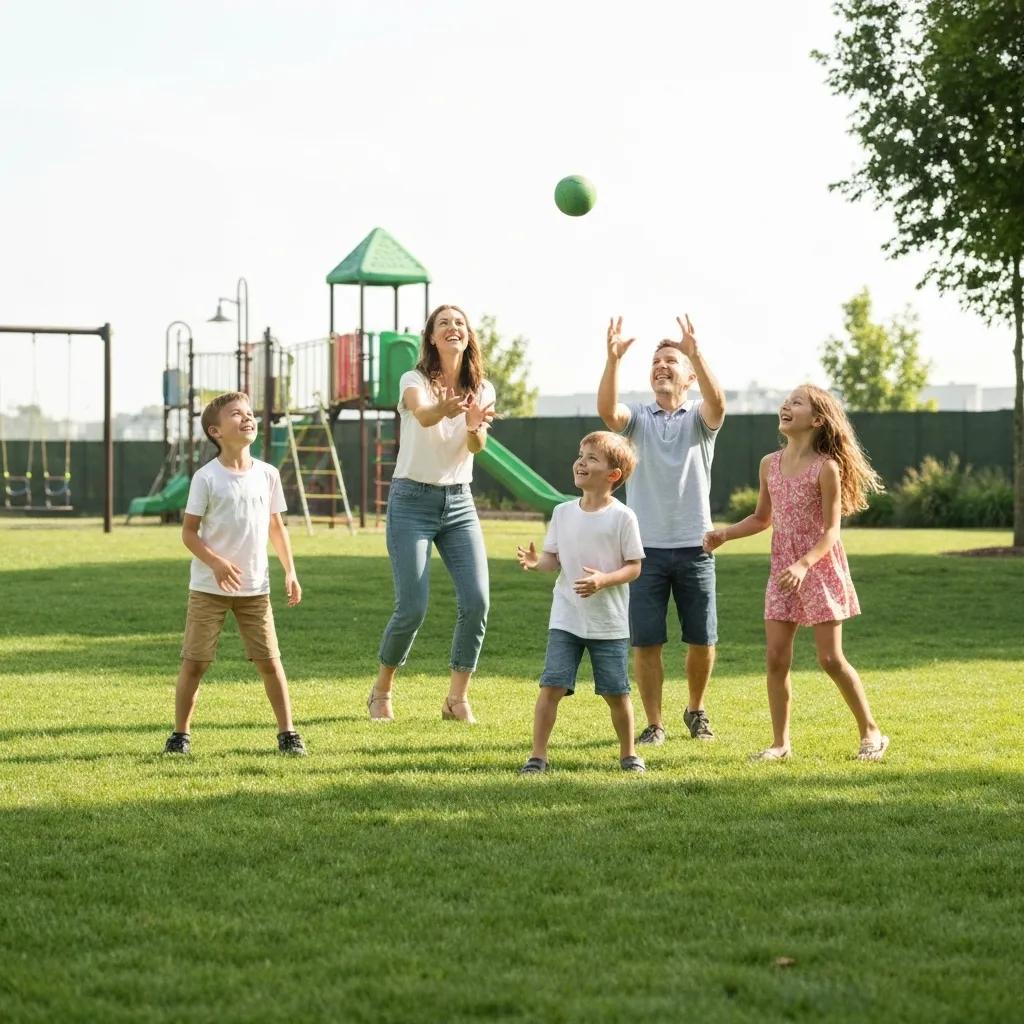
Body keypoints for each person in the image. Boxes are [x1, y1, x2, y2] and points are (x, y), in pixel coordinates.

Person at [703, 384, 889, 761]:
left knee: (830, 659)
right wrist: (724, 534)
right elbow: (761, 518)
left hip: (818, 567)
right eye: (786, 401)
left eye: (796, 403)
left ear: (817, 420)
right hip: (782, 570)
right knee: (775, 658)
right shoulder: (769, 464)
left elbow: (831, 531)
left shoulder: (827, 468)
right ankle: (780, 744)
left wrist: (805, 564)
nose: (786, 406)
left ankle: (871, 731)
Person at [598, 314, 726, 747]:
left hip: (696, 547)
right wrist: (613, 360)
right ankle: (654, 724)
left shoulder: (698, 418)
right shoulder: (637, 417)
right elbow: (606, 413)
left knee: (702, 640)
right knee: (646, 644)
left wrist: (696, 352)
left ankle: (695, 709)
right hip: (644, 552)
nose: (661, 366)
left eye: (671, 360)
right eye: (656, 362)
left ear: (688, 375)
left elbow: (719, 405)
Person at [369, 304, 497, 723]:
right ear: (431, 336)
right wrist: (444, 409)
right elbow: (423, 415)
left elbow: (476, 448)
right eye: (444, 323)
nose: (452, 328)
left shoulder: (484, 388)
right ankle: (381, 690)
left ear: (468, 335)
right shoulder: (414, 380)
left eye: (460, 322)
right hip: (412, 501)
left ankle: (456, 699)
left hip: (459, 502)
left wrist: (475, 426)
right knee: (412, 607)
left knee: (477, 601)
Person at [163, 391, 305, 756]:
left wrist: (290, 571)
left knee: (270, 662)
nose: (247, 418)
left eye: (249, 413)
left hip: (256, 589)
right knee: (194, 663)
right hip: (208, 588)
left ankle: (288, 734)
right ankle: (180, 736)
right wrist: (216, 563)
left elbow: (277, 527)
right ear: (216, 430)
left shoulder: (268, 475)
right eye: (236, 415)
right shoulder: (206, 478)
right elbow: (188, 533)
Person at [516, 431, 646, 774]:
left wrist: (603, 580)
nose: (580, 462)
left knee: (617, 693)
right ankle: (538, 757)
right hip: (567, 617)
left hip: (609, 622)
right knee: (551, 685)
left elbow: (634, 567)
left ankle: (629, 754)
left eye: (591, 458)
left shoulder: (623, 517)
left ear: (613, 475)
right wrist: (535, 563)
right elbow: (552, 560)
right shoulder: (561, 513)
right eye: (580, 454)